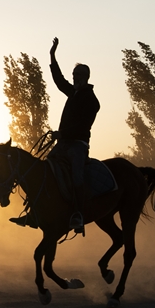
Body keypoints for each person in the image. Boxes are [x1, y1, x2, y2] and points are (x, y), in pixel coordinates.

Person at [48, 37, 100, 234]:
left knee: (77, 177)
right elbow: (59, 80)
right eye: (73, 75)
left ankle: (78, 214)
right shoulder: (73, 93)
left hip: (78, 145)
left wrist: (62, 133)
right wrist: (52, 56)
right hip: (63, 142)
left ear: (85, 77)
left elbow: (82, 127)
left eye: (77, 75)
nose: (73, 78)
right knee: (48, 166)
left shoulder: (92, 101)